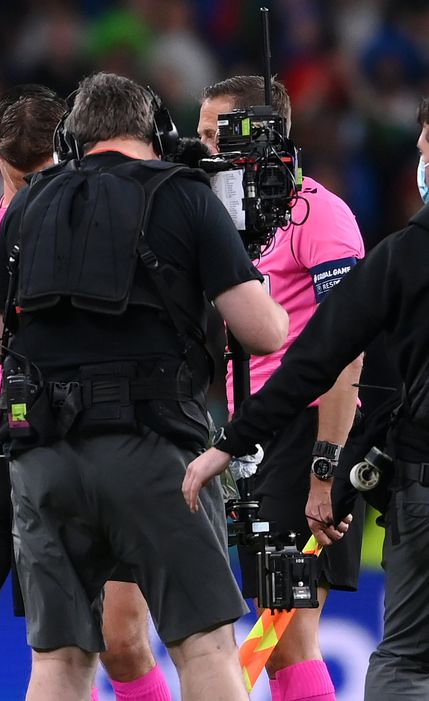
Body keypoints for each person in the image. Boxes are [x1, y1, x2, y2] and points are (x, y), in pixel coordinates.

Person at [0, 72, 289, 701]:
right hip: (155, 453)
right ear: (157, 132)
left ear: (71, 137)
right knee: (203, 644)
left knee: (60, 659)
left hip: (41, 456)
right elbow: (263, 333)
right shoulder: (187, 196)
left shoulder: (26, 202)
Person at [0, 85, 174, 701]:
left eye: (42, 176)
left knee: (120, 646)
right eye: (18, 176)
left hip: (71, 444)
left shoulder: (105, 230)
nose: (29, 190)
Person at [196, 75, 366, 701]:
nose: (204, 148)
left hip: (311, 431)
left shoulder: (320, 215)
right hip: (258, 437)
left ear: (260, 133)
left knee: (285, 631)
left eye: (216, 134)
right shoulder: (233, 223)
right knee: (282, 637)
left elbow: (349, 350)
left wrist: (326, 468)